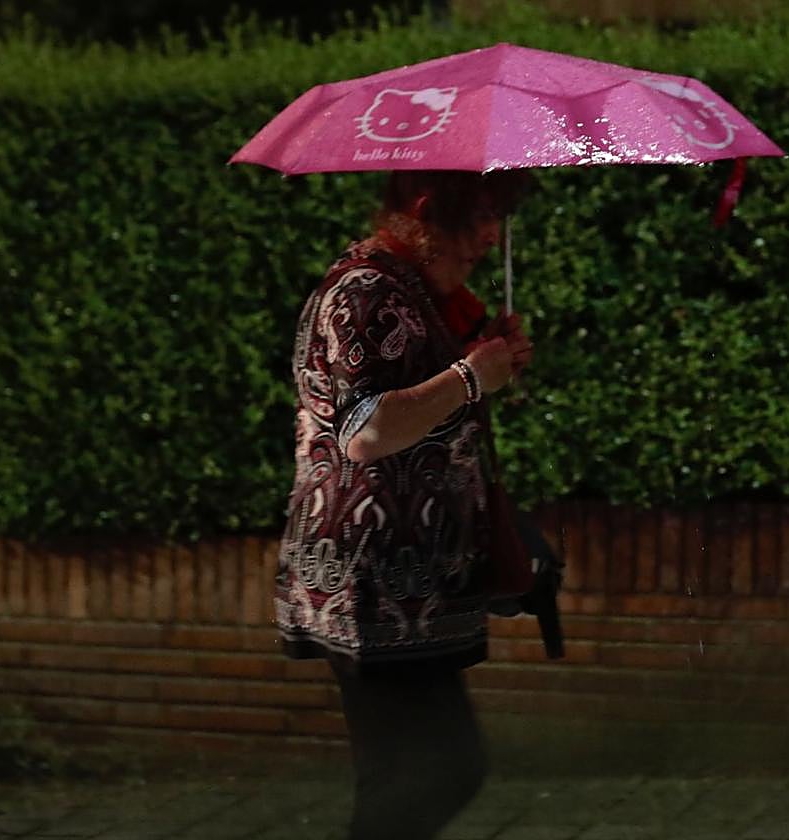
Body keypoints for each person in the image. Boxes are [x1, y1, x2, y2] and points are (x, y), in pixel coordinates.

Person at [275, 169, 534, 840]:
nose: (489, 236)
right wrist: (472, 376)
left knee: (400, 775)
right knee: (444, 769)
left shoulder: (412, 291)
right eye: (478, 216)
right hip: (374, 582)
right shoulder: (366, 291)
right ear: (423, 211)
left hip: (398, 581)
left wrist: (485, 358)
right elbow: (366, 432)